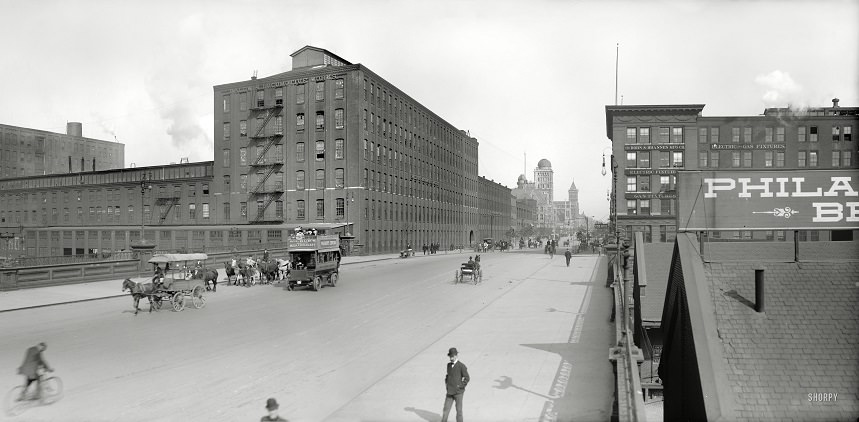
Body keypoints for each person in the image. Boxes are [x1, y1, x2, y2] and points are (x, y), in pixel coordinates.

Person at [442, 347, 469, 422]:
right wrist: (447, 384)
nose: (451, 358)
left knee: (459, 411)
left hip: (458, 393)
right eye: (450, 356)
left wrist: (460, 386)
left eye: (453, 356)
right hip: (449, 392)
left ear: (456, 356)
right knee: (445, 410)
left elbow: (467, 378)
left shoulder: (461, 366)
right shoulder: (448, 365)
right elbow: (448, 375)